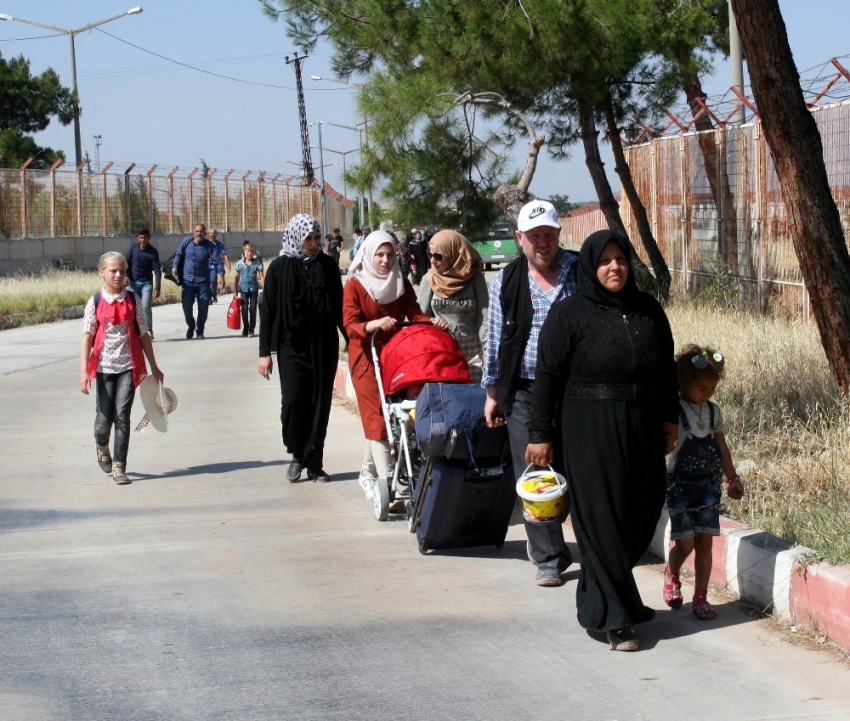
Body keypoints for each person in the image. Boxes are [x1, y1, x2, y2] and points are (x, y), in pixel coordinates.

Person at [525, 229, 680, 652]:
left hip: (643, 424)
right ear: (592, 267)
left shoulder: (648, 310)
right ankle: (615, 620)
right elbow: (548, 379)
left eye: (621, 259)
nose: (615, 266)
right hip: (588, 427)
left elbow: (666, 370)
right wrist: (539, 434)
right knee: (602, 519)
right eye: (606, 260)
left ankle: (601, 599)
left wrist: (670, 418)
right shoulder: (570, 314)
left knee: (641, 512)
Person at [482, 200, 578, 588]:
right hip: (524, 390)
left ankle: (592, 542)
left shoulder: (580, 271)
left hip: (575, 389)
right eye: (534, 235)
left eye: (549, 235)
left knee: (578, 468)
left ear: (558, 236)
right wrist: (493, 392)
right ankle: (548, 557)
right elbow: (495, 341)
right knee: (535, 476)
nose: (543, 243)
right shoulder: (506, 281)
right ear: (519, 238)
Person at [343, 230, 447, 500]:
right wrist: (373, 324)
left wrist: (431, 322)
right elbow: (350, 324)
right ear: (368, 255)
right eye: (379, 254)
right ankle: (389, 482)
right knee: (376, 416)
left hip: (395, 358)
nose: (385, 260)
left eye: (390, 255)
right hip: (366, 359)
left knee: (390, 418)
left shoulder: (400, 283)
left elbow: (414, 313)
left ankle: (367, 472)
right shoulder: (355, 285)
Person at [258, 214, 347, 483]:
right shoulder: (278, 269)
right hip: (291, 348)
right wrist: (264, 353)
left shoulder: (328, 267)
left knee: (319, 403)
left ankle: (314, 462)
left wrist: (353, 342)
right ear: (297, 237)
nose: (313, 242)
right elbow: (268, 313)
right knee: (294, 402)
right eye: (308, 238)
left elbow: (340, 309)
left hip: (323, 347)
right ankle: (297, 452)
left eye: (317, 237)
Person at [664, 345, 745, 621]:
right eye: (701, 388)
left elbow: (722, 447)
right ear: (683, 382)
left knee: (706, 543)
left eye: (711, 388)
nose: (707, 393)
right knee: (685, 543)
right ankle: (672, 573)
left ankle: (701, 597)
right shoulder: (673, 410)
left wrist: (732, 477)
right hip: (679, 487)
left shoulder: (713, 412)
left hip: (709, 487)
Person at [79, 252, 165, 486]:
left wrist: (154, 367)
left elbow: (143, 334)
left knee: (122, 416)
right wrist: (84, 372)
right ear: (102, 273)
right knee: (103, 420)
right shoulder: (95, 302)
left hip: (129, 366)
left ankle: (119, 466)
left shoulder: (133, 300)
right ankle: (102, 445)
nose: (118, 275)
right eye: (113, 271)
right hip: (104, 368)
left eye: (122, 271)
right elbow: (87, 337)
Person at [418, 230, 489, 383]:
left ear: (453, 255)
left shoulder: (475, 278)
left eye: (439, 256)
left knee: (473, 398)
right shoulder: (428, 280)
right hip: (441, 349)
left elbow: (484, 317)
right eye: (430, 255)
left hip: (471, 352)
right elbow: (421, 317)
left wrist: (489, 349)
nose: (433, 261)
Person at [172, 223, 224, 340]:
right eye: (197, 231)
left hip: (203, 282)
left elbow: (217, 261)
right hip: (188, 281)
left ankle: (200, 330)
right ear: (193, 232)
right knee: (186, 306)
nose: (199, 233)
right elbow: (179, 254)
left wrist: (221, 274)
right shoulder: (187, 242)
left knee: (203, 307)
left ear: (205, 233)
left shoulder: (210, 246)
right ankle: (191, 325)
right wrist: (174, 267)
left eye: (201, 232)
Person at [125, 229, 161, 340]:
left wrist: (157, 287)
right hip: (134, 283)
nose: (143, 240)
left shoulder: (152, 252)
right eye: (140, 237)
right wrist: (126, 276)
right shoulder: (133, 249)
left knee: (145, 306)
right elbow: (126, 263)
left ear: (149, 238)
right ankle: (133, 330)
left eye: (145, 237)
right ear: (138, 238)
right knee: (133, 308)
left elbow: (157, 270)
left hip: (146, 283)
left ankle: (149, 330)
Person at [234, 243, 264, 338]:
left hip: (254, 289)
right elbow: (236, 276)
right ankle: (245, 327)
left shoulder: (257, 263)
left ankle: (251, 329)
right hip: (244, 289)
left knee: (253, 310)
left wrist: (264, 289)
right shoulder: (240, 263)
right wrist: (235, 291)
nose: (250, 253)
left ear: (254, 252)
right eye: (248, 251)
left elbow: (262, 276)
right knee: (244, 309)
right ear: (244, 251)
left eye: (252, 251)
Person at [208, 228, 231, 304]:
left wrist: (228, 264)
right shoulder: (206, 244)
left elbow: (224, 254)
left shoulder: (219, 244)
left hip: (218, 263)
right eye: (211, 233)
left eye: (214, 233)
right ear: (209, 234)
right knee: (212, 280)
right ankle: (212, 296)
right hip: (210, 265)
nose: (212, 235)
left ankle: (222, 282)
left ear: (216, 234)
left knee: (221, 271)